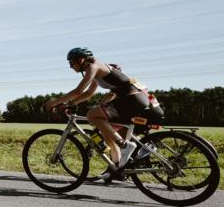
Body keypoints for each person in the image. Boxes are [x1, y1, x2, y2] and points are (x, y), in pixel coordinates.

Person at [45, 47, 162, 180]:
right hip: (132, 99)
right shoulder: (96, 69)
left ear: (81, 59)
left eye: (71, 62)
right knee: (107, 132)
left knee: (92, 115)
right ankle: (117, 168)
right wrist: (70, 104)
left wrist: (53, 103)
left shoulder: (93, 67)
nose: (70, 66)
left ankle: (125, 145)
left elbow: (78, 91)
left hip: (131, 99)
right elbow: (88, 93)